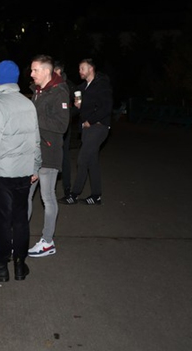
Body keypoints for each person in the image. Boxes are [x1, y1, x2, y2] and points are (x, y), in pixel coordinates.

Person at [0, 60, 41, 282]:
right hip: (23, 172)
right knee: (20, 220)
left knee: (1, 222)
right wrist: (35, 167)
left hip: (0, 174)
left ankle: (1, 265)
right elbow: (36, 140)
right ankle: (21, 265)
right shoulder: (27, 103)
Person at [26, 55, 70, 258]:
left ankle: (47, 241)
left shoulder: (59, 92)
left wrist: (32, 114)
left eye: (35, 70)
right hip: (33, 153)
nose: (31, 73)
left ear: (46, 71)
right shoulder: (38, 91)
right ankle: (19, 235)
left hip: (49, 153)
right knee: (25, 195)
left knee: (47, 197)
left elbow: (61, 125)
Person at [63, 58, 113, 205]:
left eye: (82, 68)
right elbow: (77, 99)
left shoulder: (102, 85)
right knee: (92, 162)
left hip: (98, 127)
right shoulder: (83, 87)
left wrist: (89, 121)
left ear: (91, 69)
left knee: (82, 159)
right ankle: (96, 195)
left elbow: (106, 108)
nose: (80, 72)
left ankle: (74, 194)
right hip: (87, 129)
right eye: (79, 69)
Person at [53, 60, 76, 201]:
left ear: (59, 72)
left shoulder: (69, 87)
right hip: (51, 127)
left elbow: (78, 107)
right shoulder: (51, 85)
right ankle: (49, 188)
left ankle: (67, 190)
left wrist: (66, 114)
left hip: (64, 128)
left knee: (64, 158)